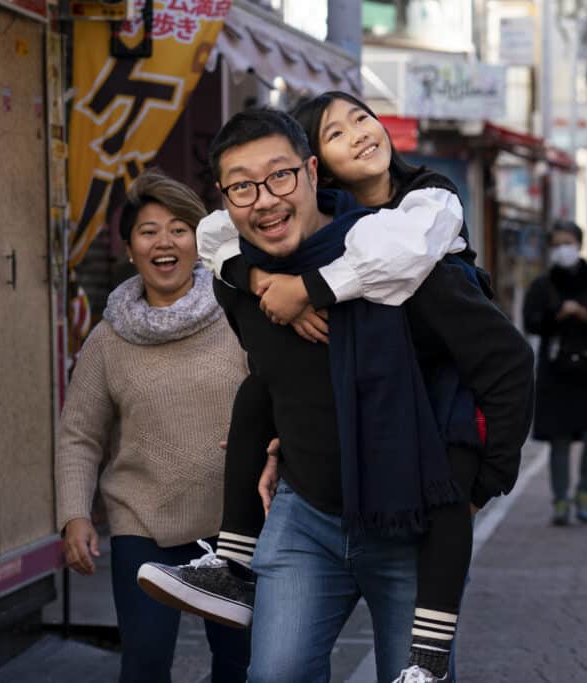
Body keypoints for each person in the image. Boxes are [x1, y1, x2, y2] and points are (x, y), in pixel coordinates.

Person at [141, 95, 530, 682]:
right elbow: (275, 378)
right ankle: (234, 565)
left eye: (280, 177)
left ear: (312, 171)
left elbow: (507, 363)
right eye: (242, 187)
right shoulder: (240, 279)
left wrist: (482, 485)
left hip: (409, 522)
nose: (265, 199)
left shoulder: (401, 259)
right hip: (307, 517)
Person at [55, 170, 251, 682]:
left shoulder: (240, 312)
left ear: (197, 240)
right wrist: (74, 514)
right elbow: (79, 434)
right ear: (129, 248)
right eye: (148, 230)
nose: (164, 241)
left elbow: (285, 399)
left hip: (237, 526)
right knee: (143, 667)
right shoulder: (107, 338)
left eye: (178, 228)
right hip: (143, 523)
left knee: (240, 667)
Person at [523, 220, 587, 526]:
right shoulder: (542, 285)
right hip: (556, 371)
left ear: (579, 244)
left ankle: (585, 492)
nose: (562, 249)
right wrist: (557, 316)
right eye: (556, 244)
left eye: (567, 242)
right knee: (559, 439)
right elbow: (530, 321)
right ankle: (560, 501)